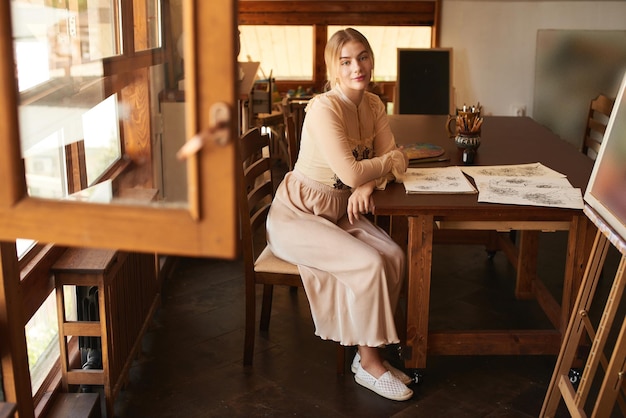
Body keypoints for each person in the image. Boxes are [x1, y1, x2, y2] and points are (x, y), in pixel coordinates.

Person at [266, 28, 412, 401]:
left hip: (340, 208)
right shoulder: (323, 108)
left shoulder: (375, 105)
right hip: (298, 214)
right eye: (345, 61)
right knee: (368, 263)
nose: (356, 67)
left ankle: (369, 346)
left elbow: (387, 162)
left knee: (394, 255)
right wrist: (381, 167)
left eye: (362, 57)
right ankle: (368, 362)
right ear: (333, 68)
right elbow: (359, 169)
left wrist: (367, 184)